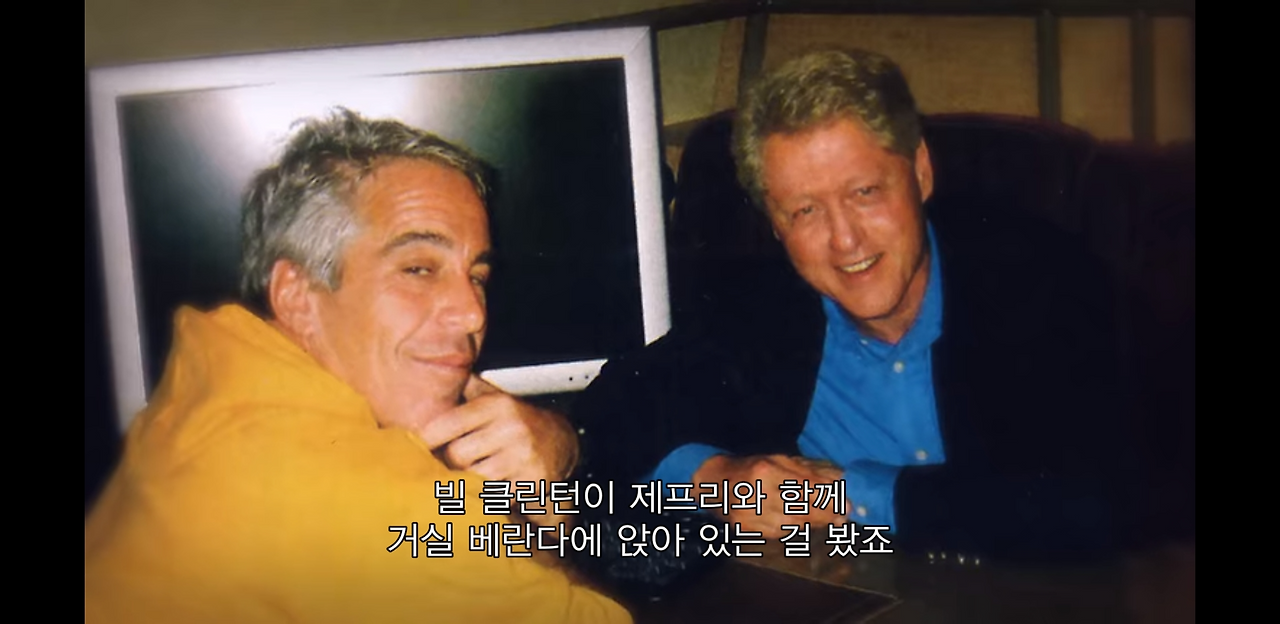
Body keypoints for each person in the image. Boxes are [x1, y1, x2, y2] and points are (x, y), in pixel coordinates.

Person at [573, 49, 1145, 563]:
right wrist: (714, 478)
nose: (845, 240)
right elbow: (612, 408)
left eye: (864, 192)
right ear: (774, 224)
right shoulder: (761, 304)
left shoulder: (1040, 282)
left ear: (920, 171)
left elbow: (1103, 501)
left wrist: (848, 495)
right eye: (805, 211)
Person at [85, 109, 630, 623]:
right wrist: (546, 494)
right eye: (418, 269)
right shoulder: (368, 500)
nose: (472, 313)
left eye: (477, 277)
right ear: (295, 295)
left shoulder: (217, 366)